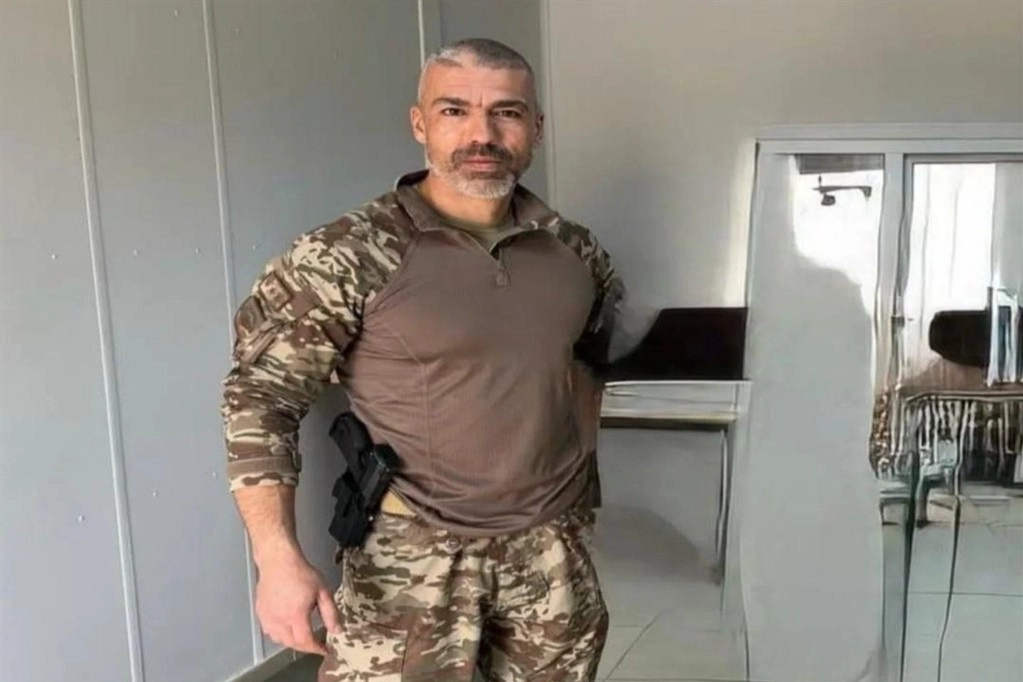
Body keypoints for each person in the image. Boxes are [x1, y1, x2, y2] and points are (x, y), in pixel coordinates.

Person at [221, 38, 623, 681]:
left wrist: (577, 503)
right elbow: (260, 398)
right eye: (454, 110)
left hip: (550, 557)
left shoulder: (574, 251)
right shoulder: (348, 253)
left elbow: (587, 367)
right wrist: (276, 558)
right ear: (420, 124)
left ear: (537, 128)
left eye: (507, 112)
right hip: (410, 562)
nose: (482, 134)